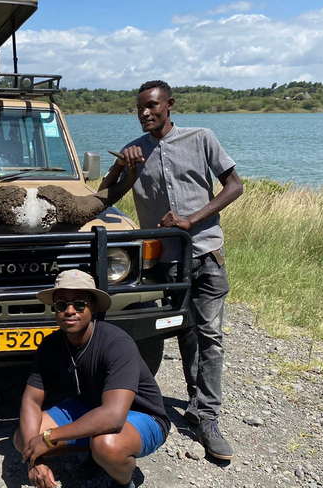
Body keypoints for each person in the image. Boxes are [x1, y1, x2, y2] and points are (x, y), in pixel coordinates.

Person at [98, 80, 243, 460]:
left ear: (170, 105)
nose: (146, 113)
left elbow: (234, 185)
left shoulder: (201, 138)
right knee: (177, 331)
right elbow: (103, 198)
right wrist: (118, 167)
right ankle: (164, 402)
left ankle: (207, 417)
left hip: (207, 253)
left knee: (210, 335)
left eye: (152, 106)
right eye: (140, 108)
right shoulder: (135, 153)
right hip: (165, 261)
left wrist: (191, 219)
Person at [14, 269, 170, 488]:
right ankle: (95, 455)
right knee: (21, 437)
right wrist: (34, 457)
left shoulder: (116, 343)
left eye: (79, 304)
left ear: (93, 308)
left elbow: (114, 417)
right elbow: (31, 401)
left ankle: (122, 484)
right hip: (90, 407)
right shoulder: (51, 345)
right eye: (61, 304)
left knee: (106, 444)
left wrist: (48, 438)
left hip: (141, 415)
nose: (70, 310)